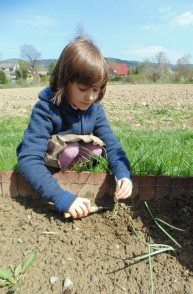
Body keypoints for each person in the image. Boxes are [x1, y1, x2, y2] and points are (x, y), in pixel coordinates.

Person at [17, 35, 133, 219]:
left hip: (76, 152)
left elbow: (111, 143)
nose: (91, 97)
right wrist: (61, 197)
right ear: (65, 80)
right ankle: (60, 172)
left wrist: (122, 173)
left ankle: (72, 166)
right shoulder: (46, 109)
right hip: (54, 157)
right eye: (83, 89)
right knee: (70, 151)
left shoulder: (94, 108)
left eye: (96, 90)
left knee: (97, 150)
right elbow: (28, 158)